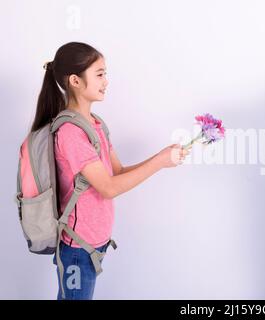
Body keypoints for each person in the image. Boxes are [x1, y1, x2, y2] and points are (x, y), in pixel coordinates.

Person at [31, 42, 189, 300]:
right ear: (75, 81)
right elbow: (109, 188)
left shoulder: (95, 125)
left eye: (106, 73)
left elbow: (117, 173)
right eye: (100, 74)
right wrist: (160, 161)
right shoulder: (71, 133)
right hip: (78, 247)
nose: (106, 81)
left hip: (93, 244)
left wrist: (162, 157)